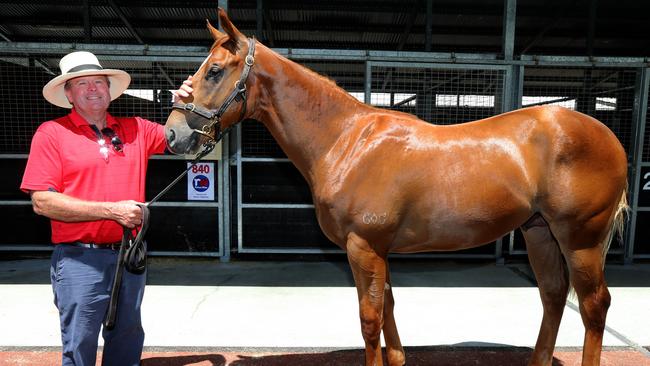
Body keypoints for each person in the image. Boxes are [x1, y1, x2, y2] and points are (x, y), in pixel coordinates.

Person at [20, 51, 193, 366]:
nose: (92, 89)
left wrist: (190, 103)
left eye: (98, 82)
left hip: (130, 256)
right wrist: (111, 211)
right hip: (79, 260)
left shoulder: (136, 128)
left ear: (110, 89)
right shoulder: (52, 133)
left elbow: (182, 139)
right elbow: (42, 201)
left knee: (127, 337)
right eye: (81, 84)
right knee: (80, 344)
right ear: (69, 94)